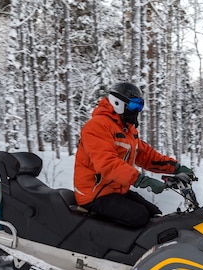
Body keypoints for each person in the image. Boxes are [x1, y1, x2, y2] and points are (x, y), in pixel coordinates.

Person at [73, 82, 194, 228]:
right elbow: (107, 164)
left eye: (140, 106)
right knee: (139, 217)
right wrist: (142, 181)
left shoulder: (127, 131)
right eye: (134, 106)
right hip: (94, 194)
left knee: (154, 214)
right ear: (117, 103)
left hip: (115, 191)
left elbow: (147, 156)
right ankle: (114, 249)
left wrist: (177, 168)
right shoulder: (97, 126)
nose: (137, 111)